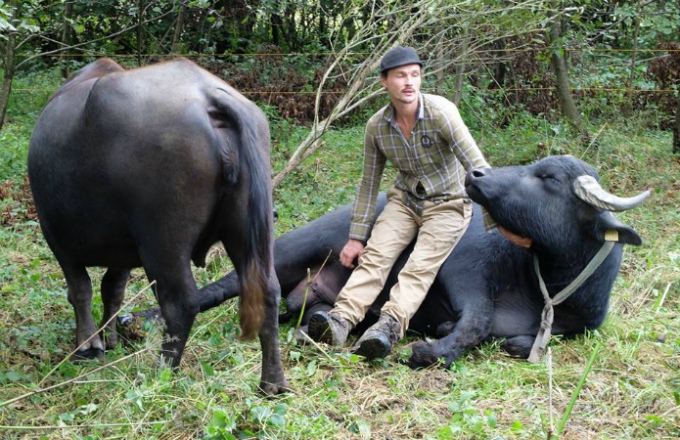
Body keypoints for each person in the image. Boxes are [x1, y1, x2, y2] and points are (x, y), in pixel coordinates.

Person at [307, 46, 493, 360]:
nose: (408, 82)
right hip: (405, 202)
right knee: (376, 256)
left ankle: (387, 328)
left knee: (419, 266)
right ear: (384, 81)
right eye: (400, 76)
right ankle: (340, 321)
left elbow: (479, 169)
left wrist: (495, 221)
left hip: (448, 204)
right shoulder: (377, 127)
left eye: (414, 75)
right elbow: (369, 184)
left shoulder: (441, 113)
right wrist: (355, 237)